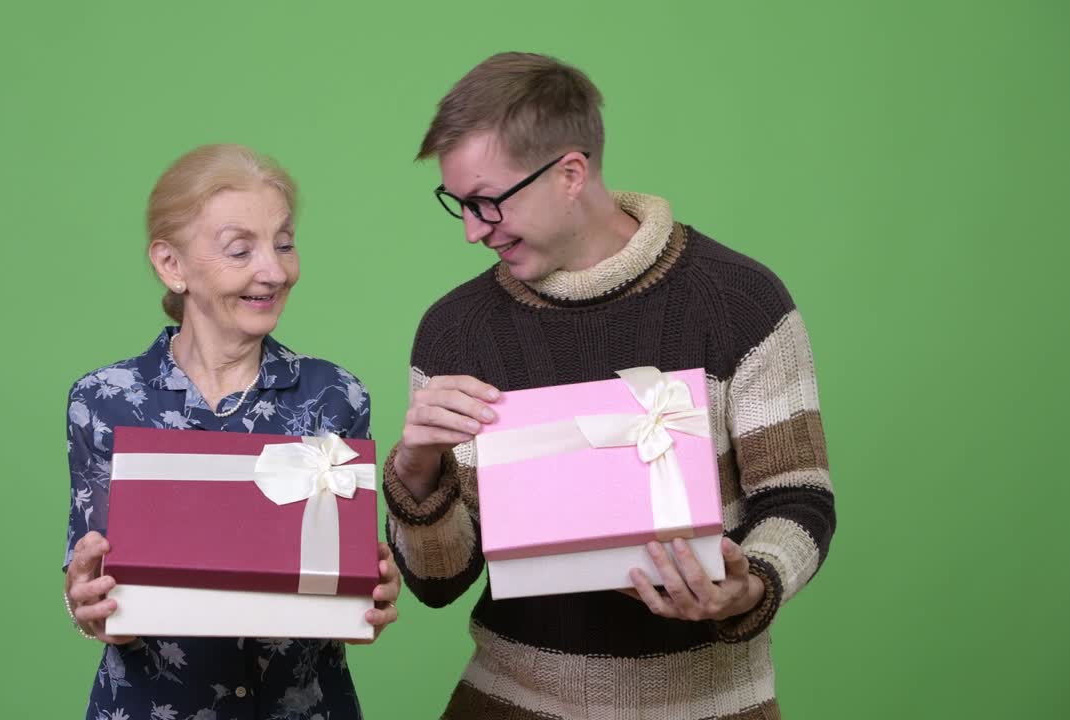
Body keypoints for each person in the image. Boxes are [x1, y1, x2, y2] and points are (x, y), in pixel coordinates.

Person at [383, 53, 835, 719]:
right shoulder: (457, 332)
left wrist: (748, 585)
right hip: (507, 703)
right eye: (459, 204)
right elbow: (439, 581)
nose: (473, 230)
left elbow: (800, 499)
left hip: (712, 706)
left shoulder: (741, 302)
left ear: (570, 173)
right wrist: (416, 473)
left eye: (487, 202)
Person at [62, 144, 400, 720]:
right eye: (240, 249)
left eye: (285, 243)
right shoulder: (104, 400)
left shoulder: (336, 396)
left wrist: (366, 597)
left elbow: (340, 590)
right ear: (172, 265)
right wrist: (90, 608)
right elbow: (92, 578)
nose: (273, 271)